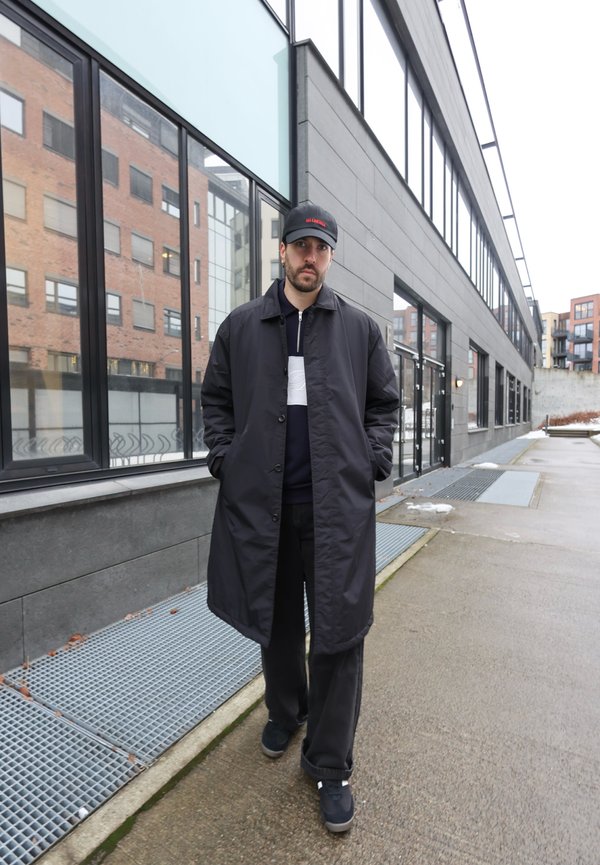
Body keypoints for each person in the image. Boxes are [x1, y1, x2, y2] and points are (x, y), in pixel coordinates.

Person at [201, 202, 399, 832]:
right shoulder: (241, 327)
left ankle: (331, 764)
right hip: (263, 508)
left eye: (320, 248)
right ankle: (287, 712)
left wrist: (372, 459)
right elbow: (217, 401)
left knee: (340, 634)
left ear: (329, 257)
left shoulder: (359, 330)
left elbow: (383, 404)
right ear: (282, 252)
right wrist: (225, 458)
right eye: (299, 246)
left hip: (336, 510)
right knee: (277, 621)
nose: (309, 256)